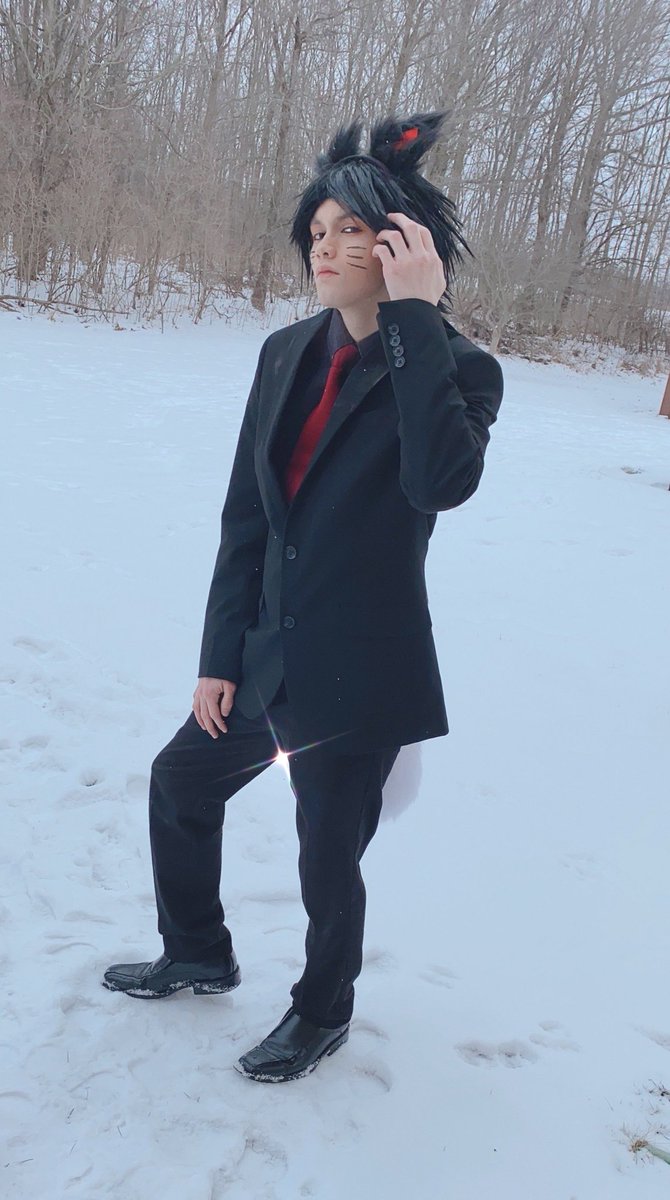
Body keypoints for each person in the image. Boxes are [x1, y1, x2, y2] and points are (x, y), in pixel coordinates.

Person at [102, 110, 504, 1083]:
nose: (324, 247)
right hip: (263, 654)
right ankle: (198, 951)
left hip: (360, 672)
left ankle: (321, 1012)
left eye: (349, 230)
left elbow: (438, 483)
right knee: (179, 783)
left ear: (402, 244)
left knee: (327, 859)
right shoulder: (284, 353)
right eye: (316, 231)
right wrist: (217, 655)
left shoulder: (457, 367)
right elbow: (247, 518)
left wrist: (413, 317)